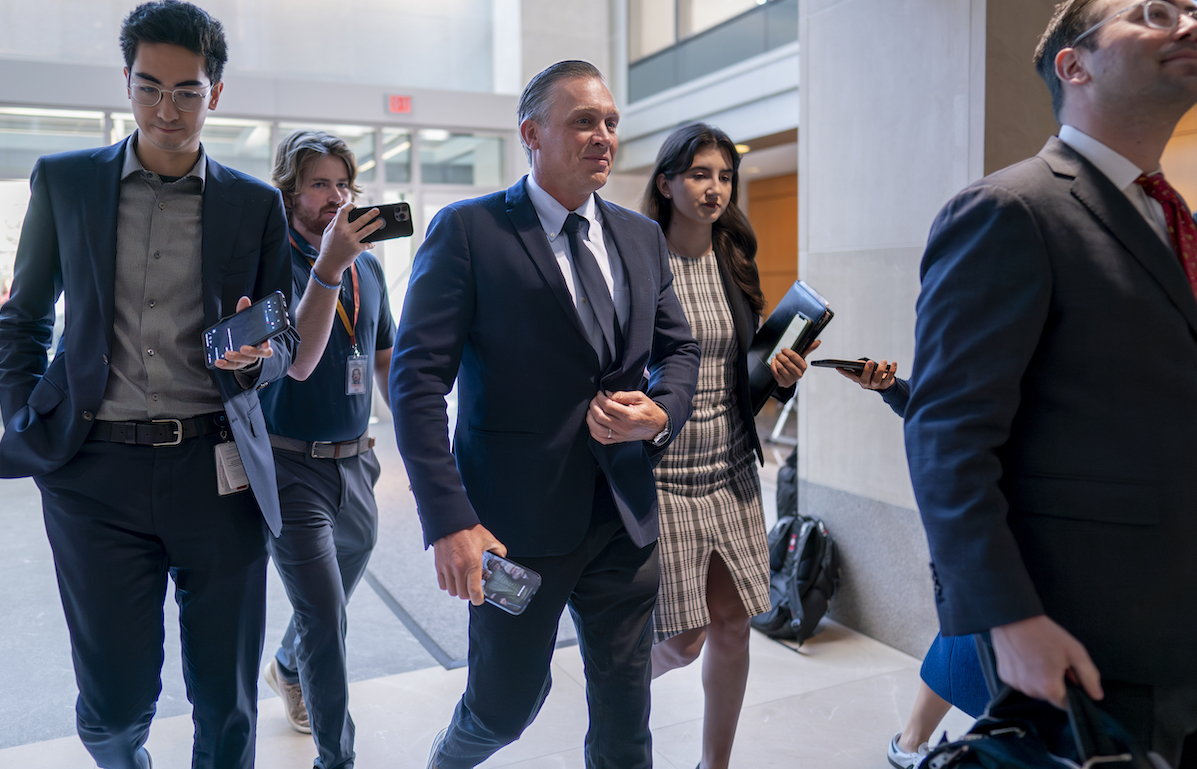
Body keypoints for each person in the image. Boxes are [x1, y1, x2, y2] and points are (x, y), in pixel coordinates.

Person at [0, 2, 297, 767]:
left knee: (227, 701)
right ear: (126, 82)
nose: (167, 109)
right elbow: (23, 318)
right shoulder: (66, 182)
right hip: (94, 473)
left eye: (187, 91)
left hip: (217, 469)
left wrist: (255, 358)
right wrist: (25, 417)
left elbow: (282, 335)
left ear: (215, 92)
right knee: (112, 706)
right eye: (149, 87)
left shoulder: (255, 204)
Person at [904, 1, 1197, 765]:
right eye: (1154, 11)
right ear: (1074, 64)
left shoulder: (1173, 221)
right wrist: (1007, 619)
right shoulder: (1008, 210)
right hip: (1091, 643)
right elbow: (946, 435)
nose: (1187, 23)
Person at [390, 60, 700, 769]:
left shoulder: (640, 237)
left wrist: (660, 413)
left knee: (626, 713)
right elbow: (416, 382)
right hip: (511, 533)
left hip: (623, 517)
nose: (603, 136)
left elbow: (679, 349)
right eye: (583, 121)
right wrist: (448, 519)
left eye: (610, 122)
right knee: (505, 704)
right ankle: (449, 758)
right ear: (531, 134)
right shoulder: (468, 231)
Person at [637, 123, 809, 769]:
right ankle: (615, 677)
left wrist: (781, 374)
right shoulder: (638, 258)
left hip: (732, 466)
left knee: (734, 625)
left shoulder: (734, 257)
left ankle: (715, 764)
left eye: (724, 176)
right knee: (682, 639)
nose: (714, 188)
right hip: (664, 472)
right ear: (666, 183)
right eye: (699, 174)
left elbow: (747, 370)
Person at [259, 130, 395, 769]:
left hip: (356, 460)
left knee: (340, 585)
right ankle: (337, 758)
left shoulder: (369, 266)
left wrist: (426, 442)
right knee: (324, 617)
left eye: (343, 184)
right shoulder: (270, 262)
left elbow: (385, 358)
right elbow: (297, 363)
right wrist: (329, 267)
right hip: (289, 464)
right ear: (291, 192)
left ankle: (287, 666)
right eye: (319, 184)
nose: (336, 197)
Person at [827, 361, 988, 768]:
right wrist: (893, 389)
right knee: (977, 618)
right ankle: (914, 740)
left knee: (981, 620)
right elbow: (938, 399)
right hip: (998, 495)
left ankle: (915, 739)